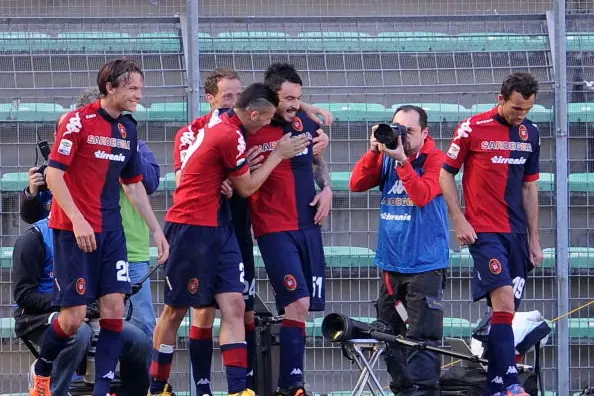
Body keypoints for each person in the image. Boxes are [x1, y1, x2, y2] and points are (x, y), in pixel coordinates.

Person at [172, 68, 331, 395]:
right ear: (210, 99)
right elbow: (188, 178)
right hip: (208, 225)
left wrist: (326, 187)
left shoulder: (271, 120)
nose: (234, 101)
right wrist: (233, 178)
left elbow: (312, 153)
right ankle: (200, 387)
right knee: (201, 310)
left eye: (237, 94)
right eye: (227, 96)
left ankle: (245, 386)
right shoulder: (209, 131)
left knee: (241, 307)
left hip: (241, 229)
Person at [29, 59, 169, 396]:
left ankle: (102, 389)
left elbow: (134, 185)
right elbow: (53, 174)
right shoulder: (77, 122)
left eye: (141, 88)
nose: (139, 94)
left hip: (111, 232)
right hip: (73, 231)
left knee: (114, 312)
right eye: (133, 88)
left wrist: (157, 231)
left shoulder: (128, 129)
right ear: (111, 87)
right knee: (73, 318)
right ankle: (43, 370)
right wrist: (77, 219)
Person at [19, 87, 161, 341]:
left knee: (140, 325)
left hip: (130, 249)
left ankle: (135, 380)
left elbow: (149, 182)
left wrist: (120, 150)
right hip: (80, 247)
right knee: (80, 321)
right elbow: (34, 216)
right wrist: (32, 191)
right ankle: (67, 374)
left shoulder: (131, 142)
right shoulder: (66, 158)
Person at [439, 72, 544, 396]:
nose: (520, 115)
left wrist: (535, 238)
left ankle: (496, 385)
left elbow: (530, 187)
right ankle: (510, 382)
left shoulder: (531, 133)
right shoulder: (473, 128)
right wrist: (459, 219)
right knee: (503, 299)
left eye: (526, 109)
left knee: (506, 311)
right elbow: (446, 175)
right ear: (501, 100)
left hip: (516, 233)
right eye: (516, 108)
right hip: (484, 230)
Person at [349, 105, 449, 396]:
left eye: (409, 131)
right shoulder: (386, 157)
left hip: (424, 265)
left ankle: (424, 392)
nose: (402, 136)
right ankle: (402, 391)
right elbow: (356, 183)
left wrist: (403, 161)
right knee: (388, 334)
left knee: (422, 338)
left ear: (425, 133)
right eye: (397, 129)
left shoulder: (436, 160)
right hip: (392, 265)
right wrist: (373, 151)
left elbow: (421, 196)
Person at [246, 63, 332, 396]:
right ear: (271, 96)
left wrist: (326, 188)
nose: (295, 104)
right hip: (273, 227)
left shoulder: (304, 122)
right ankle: (293, 385)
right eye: (288, 97)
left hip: (308, 226)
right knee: (296, 303)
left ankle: (288, 385)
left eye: (299, 97)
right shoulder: (254, 128)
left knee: (305, 306)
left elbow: (315, 159)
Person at [13, 217, 152, 396]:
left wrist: (98, 303)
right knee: (79, 333)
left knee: (138, 340)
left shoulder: (95, 236)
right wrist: (65, 303)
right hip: (37, 316)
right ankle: (53, 388)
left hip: (83, 312)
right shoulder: (33, 239)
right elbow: (24, 295)